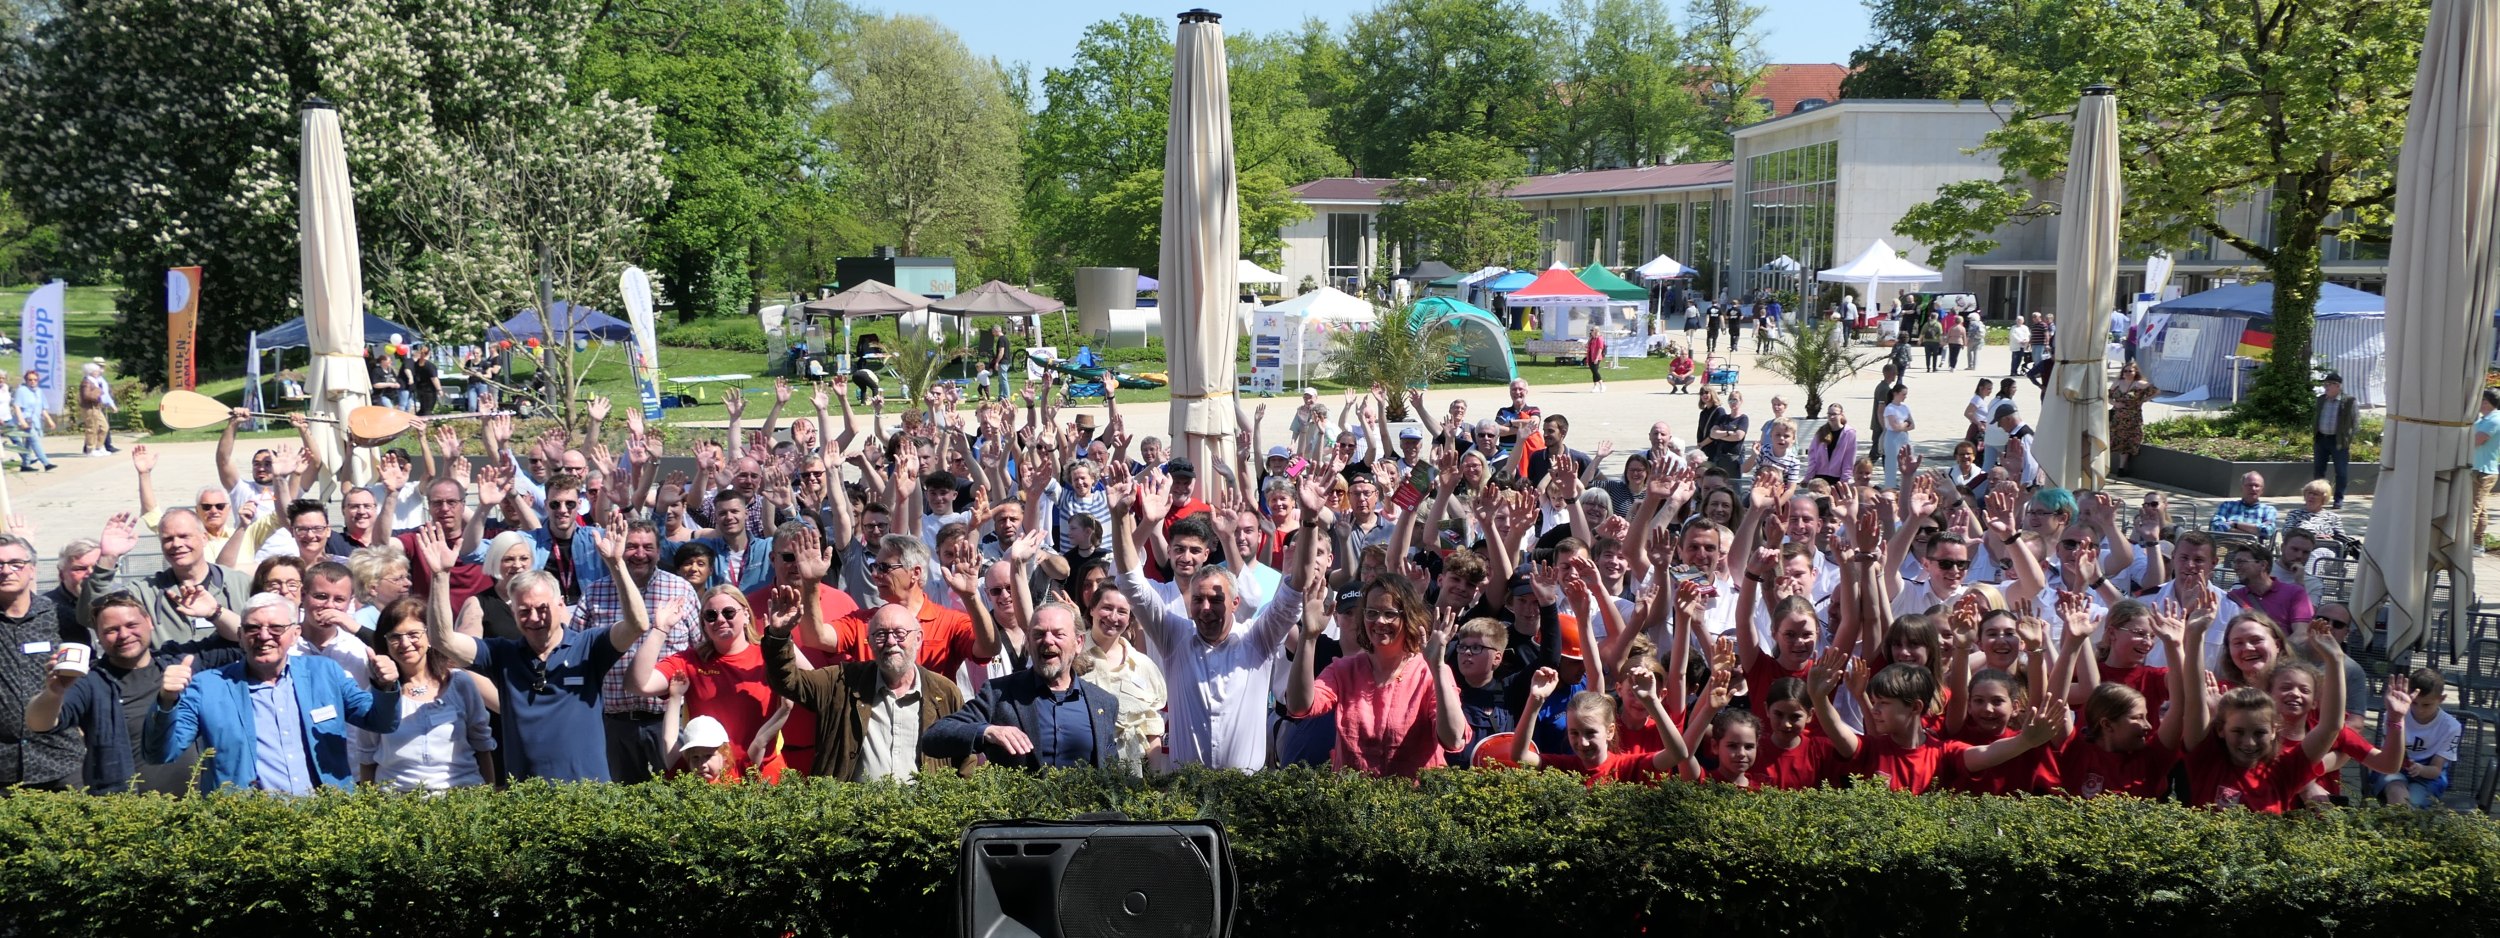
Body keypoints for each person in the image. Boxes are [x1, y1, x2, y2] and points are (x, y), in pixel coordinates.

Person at [419, 521, 655, 783]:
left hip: (589, 799)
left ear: (560, 603)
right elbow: (443, 640)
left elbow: (638, 625)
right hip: (527, 803)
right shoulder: (502, 655)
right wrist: (440, 576)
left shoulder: (588, 646)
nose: (534, 618)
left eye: (542, 608)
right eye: (524, 611)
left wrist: (616, 565)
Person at [145, 593, 403, 793]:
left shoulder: (325, 673)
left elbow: (381, 721)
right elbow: (161, 752)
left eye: (276, 628)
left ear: (295, 634)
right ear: (241, 635)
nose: (264, 636)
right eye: (253, 628)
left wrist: (385, 686)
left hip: (325, 821)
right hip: (248, 828)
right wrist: (167, 701)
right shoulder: (208, 686)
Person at [24, 594, 240, 792]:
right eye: (111, 630)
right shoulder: (91, 681)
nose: (124, 635)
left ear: (149, 623)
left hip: (196, 807)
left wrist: (215, 611)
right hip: (130, 816)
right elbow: (40, 724)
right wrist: (54, 692)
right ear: (98, 636)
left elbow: (240, 640)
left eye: (131, 625)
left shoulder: (180, 660)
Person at [762, 585, 968, 781]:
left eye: (899, 633)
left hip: (926, 814)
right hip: (854, 813)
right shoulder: (842, 683)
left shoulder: (944, 692)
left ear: (918, 638)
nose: (890, 642)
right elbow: (787, 681)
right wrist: (779, 637)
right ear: (869, 642)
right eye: (880, 634)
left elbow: (965, 759)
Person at [1287, 574, 1469, 778]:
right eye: (1371, 613)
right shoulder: (1345, 669)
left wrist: (1437, 669)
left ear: (1408, 616)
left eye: (1390, 613)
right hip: (1354, 803)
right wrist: (1308, 637)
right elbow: (1299, 706)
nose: (1379, 621)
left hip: (1416, 805)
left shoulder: (1429, 671)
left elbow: (1453, 739)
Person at [2176, 615, 2347, 812]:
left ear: (2275, 730)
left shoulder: (2285, 769)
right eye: (2238, 732)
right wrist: (2196, 635)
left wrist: (2335, 659)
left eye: (2259, 733)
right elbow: (2194, 701)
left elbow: (2332, 726)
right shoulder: (2207, 760)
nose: (2248, 742)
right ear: (2221, 729)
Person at [623, 585, 791, 782]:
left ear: (746, 614)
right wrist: (660, 630)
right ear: (703, 624)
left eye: (728, 612)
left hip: (763, 772)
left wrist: (780, 637)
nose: (720, 619)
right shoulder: (690, 661)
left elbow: (813, 681)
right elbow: (637, 684)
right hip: (709, 779)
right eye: (711, 615)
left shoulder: (769, 653)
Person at [921, 603, 1118, 770]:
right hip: (1021, 814)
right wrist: (987, 731)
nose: (1048, 641)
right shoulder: (1000, 694)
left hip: (1084, 814)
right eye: (1039, 634)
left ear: (1079, 643)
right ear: (1028, 642)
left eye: (1059, 634)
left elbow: (1111, 772)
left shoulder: (1103, 703)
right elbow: (934, 738)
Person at [354, 596, 497, 791]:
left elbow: (482, 745)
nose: (405, 643)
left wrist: (490, 797)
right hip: (398, 806)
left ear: (430, 636)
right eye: (395, 637)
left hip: (462, 799)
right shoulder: (376, 695)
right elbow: (367, 757)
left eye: (413, 634)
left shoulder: (460, 684)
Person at [0, 532, 86, 790]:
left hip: (61, 758)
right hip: (4, 767)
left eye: (16, 563)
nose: (6, 571)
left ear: (32, 570)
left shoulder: (60, 616)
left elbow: (84, 678)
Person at [2369, 668, 2460, 808]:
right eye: (2414, 703)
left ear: (2441, 699)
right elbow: (2386, 757)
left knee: (2414, 802)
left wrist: (2421, 770)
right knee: (2396, 792)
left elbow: (2436, 769)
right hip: (2394, 768)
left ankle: (2401, 827)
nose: (2419, 710)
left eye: (2427, 705)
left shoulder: (2451, 727)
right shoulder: (2395, 715)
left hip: (2428, 777)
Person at [2312, 372, 2358, 509]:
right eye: (2325, 384)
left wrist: (2347, 439)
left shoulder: (2349, 401)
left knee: (2341, 471)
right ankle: (2318, 497)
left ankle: (2338, 499)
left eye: (2328, 385)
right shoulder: (2321, 400)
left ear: (2337, 386)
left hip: (2338, 442)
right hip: (2321, 439)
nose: (2326, 387)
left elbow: (2355, 423)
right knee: (2319, 471)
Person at [2107, 361, 2157, 475]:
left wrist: (2143, 400)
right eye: (2125, 371)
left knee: (2128, 442)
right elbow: (2107, 397)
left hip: (2132, 417)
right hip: (2117, 416)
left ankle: (2121, 468)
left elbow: (2156, 391)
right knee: (2113, 440)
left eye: (2130, 371)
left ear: (2135, 372)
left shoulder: (2140, 384)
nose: (2127, 373)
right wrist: (2115, 403)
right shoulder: (2117, 383)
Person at [2210, 472, 2279, 541]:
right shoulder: (2227, 506)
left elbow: (2267, 531)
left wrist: (2234, 524)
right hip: (2226, 546)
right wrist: (2251, 535)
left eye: (2257, 486)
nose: (2253, 488)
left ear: (2262, 490)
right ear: (2241, 488)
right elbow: (2215, 526)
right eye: (2249, 485)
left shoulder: (2268, 510)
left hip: (2254, 549)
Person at [12, 370, 55, 472]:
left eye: (35, 380)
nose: (32, 382)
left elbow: (42, 408)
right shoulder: (21, 390)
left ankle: (25, 464)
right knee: (35, 440)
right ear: (26, 380)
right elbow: (16, 406)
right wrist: (21, 421)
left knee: (29, 443)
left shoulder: (39, 392)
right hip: (25, 420)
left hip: (35, 421)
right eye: (30, 380)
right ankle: (46, 463)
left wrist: (49, 420)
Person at [2278, 480, 2345, 543]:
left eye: (2315, 494)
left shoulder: (2333, 517)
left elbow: (2342, 539)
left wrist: (2330, 540)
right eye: (2309, 493)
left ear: (2324, 498)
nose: (2311, 496)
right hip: (2300, 548)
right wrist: (2312, 538)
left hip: (2326, 548)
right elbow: (2286, 535)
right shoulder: (2294, 514)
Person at [2475, 388, 2500, 551]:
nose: (2481, 405)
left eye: (2485, 402)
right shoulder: (2483, 419)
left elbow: (2478, 440)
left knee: (2472, 511)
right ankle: (2477, 544)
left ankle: (2461, 546)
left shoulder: (2494, 420)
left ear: (2493, 403)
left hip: (2484, 471)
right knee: (2481, 509)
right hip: (2477, 468)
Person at [1807, 404, 1855, 486]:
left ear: (1841, 415)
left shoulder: (1849, 433)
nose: (1831, 417)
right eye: (1829, 414)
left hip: (1837, 477)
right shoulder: (1821, 431)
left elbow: (1849, 457)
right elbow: (1812, 455)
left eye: (1834, 414)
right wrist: (1808, 476)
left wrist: (1845, 479)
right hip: (1819, 475)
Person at [77, 360, 117, 456]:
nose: (98, 372)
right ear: (91, 372)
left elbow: (104, 393)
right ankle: (90, 449)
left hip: (97, 407)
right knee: (92, 428)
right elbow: (86, 395)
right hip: (89, 408)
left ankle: (99, 446)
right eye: (96, 370)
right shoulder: (86, 382)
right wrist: (98, 394)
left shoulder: (96, 381)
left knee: (104, 427)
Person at [1879, 384, 1914, 490]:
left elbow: (1912, 425)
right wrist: (1905, 424)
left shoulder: (1905, 407)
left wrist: (1902, 426)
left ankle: (1909, 484)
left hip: (1904, 436)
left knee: (1910, 459)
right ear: (1895, 393)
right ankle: (1890, 486)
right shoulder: (1889, 408)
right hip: (1892, 437)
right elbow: (1894, 427)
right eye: (1903, 394)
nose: (1905, 396)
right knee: (1891, 462)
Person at [1585, 328, 1606, 393]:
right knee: (1593, 372)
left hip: (1596, 357)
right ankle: (1595, 386)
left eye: (1592, 331)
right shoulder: (1592, 338)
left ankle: (1602, 385)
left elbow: (1600, 348)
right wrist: (1589, 339)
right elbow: (1586, 346)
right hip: (1590, 356)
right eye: (1591, 331)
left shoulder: (1599, 338)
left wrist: (1597, 358)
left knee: (1595, 371)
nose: (1591, 332)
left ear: (1596, 331)